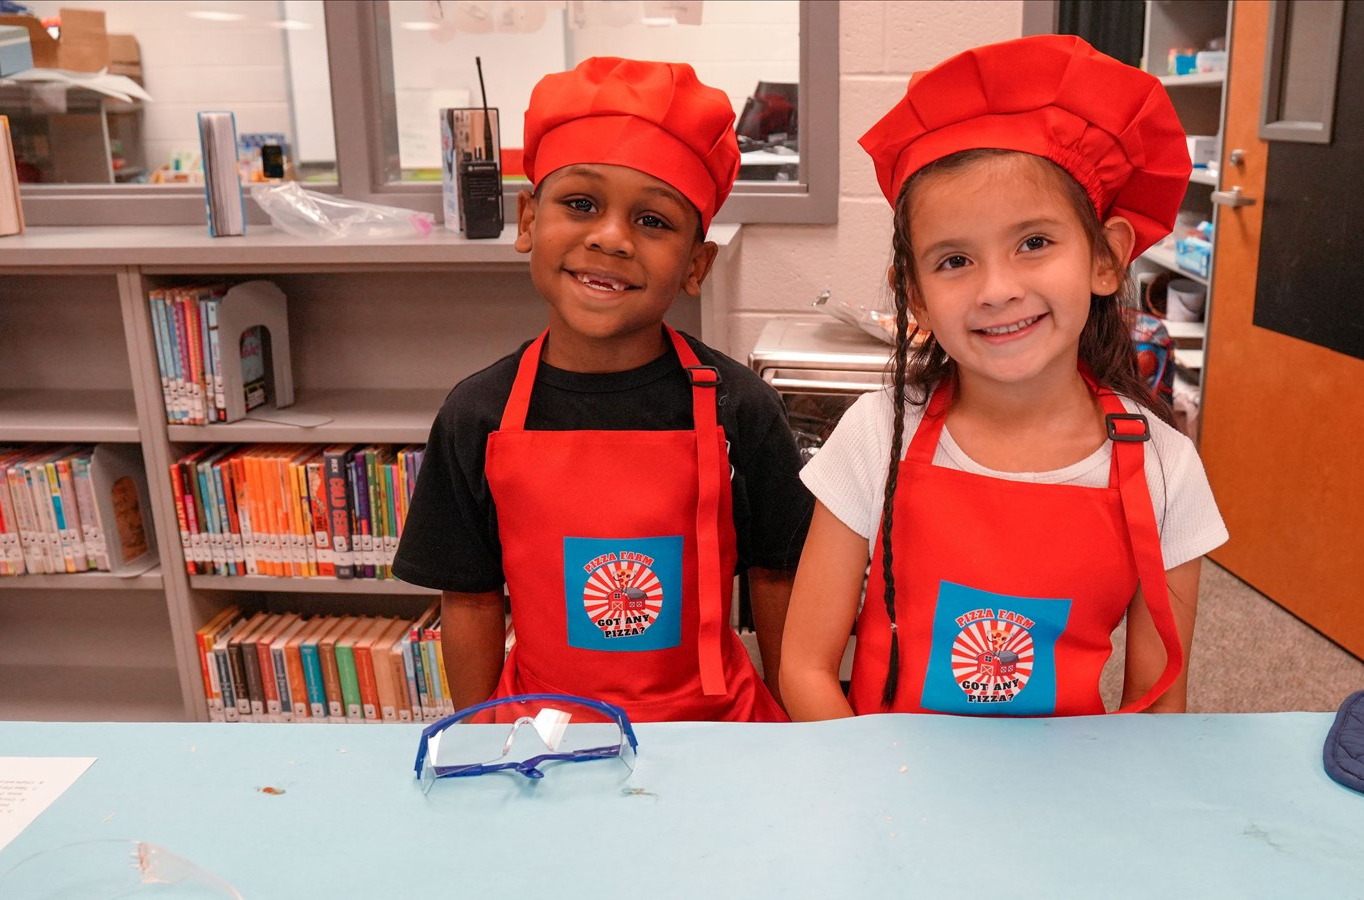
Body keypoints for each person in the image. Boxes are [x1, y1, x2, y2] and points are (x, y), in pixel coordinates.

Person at [781, 35, 1228, 720]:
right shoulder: (875, 436)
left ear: (1106, 260)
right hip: (882, 790)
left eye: (1034, 243)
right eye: (954, 260)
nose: (996, 289)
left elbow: (1157, 704)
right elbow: (806, 668)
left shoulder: (1167, 468)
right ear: (917, 296)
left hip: (1069, 797)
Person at [394, 57, 812, 723]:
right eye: (581, 204)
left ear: (696, 264)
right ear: (528, 221)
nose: (611, 238)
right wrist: (475, 736)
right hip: (540, 735)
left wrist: (802, 738)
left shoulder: (741, 408)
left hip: (715, 734)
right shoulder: (478, 414)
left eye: (653, 221)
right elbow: (471, 598)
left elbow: (776, 575)